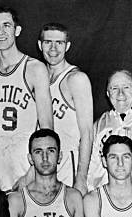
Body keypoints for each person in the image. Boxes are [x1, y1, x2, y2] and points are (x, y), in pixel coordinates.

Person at [0, 6, 53, 192]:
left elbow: (47, 127)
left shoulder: (35, 68)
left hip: (20, 156)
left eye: (7, 25)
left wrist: (34, 172)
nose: (1, 32)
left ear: (17, 30)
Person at [38, 23, 93, 195]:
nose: (53, 48)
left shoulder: (76, 79)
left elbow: (88, 133)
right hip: (42, 162)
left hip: (68, 163)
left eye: (59, 43)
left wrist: (81, 178)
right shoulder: (36, 76)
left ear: (67, 46)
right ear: (40, 45)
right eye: (48, 42)